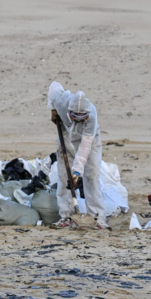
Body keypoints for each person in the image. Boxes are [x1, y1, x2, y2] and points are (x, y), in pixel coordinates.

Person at [47, 81, 108, 230]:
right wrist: (52, 108)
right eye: (76, 117)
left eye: (83, 118)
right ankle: (66, 215)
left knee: (91, 176)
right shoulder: (62, 101)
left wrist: (77, 172)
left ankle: (97, 217)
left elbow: (85, 146)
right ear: (69, 112)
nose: (80, 120)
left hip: (90, 141)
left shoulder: (91, 116)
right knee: (63, 176)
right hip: (66, 136)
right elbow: (54, 86)